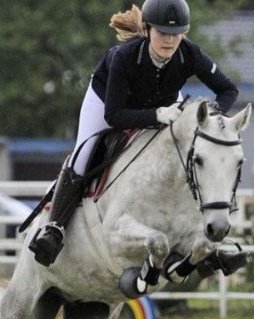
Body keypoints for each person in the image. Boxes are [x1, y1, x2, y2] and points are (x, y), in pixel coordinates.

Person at [29, 0, 239, 266]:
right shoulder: (124, 57)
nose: (170, 41)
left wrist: (212, 117)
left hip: (159, 102)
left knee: (191, 157)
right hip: (107, 101)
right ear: (147, 30)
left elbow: (229, 90)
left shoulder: (190, 54)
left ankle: (203, 238)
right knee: (83, 157)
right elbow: (114, 116)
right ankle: (54, 229)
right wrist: (155, 116)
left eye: (176, 34)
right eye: (163, 33)